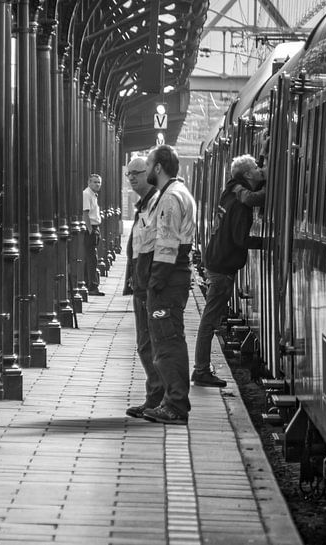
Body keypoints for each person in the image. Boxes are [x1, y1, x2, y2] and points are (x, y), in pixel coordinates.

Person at [192, 154, 264, 387]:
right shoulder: (242, 203)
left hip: (216, 261)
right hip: (222, 266)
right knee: (210, 320)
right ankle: (201, 369)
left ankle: (201, 368)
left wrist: (262, 153)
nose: (259, 171)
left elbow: (251, 187)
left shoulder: (230, 190)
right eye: (255, 168)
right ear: (247, 175)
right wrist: (266, 243)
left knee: (210, 319)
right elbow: (239, 239)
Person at [140, 145, 197, 425]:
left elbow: (167, 244)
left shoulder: (171, 198)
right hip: (172, 276)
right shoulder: (174, 193)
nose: (146, 169)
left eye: (148, 164)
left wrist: (155, 281)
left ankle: (175, 405)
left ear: (158, 167)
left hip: (168, 278)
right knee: (165, 339)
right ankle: (164, 400)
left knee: (168, 341)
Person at [122, 157, 163, 418]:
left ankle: (158, 396)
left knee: (150, 343)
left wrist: (150, 281)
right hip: (142, 283)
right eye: (129, 175)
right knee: (146, 343)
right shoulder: (145, 204)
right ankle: (156, 395)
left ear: (148, 173)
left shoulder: (156, 203)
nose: (132, 178)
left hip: (149, 284)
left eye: (136, 173)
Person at [82, 173, 104, 296]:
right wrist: (90, 229)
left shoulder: (93, 195)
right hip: (91, 228)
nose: (97, 184)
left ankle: (89, 284)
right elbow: (85, 213)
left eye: (99, 182)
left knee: (91, 258)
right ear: (89, 183)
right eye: (94, 182)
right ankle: (92, 286)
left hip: (95, 227)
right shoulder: (86, 194)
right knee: (92, 258)